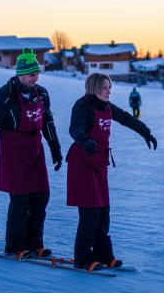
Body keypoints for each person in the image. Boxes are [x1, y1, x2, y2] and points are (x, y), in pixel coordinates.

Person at [0, 48, 63, 259]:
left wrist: (55, 148)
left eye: (37, 73)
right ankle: (15, 245)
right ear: (20, 74)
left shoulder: (42, 93)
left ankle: (35, 244)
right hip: (14, 152)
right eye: (31, 74)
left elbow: (47, 122)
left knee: (41, 198)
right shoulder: (5, 95)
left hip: (35, 150)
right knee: (20, 202)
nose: (35, 77)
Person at [67, 73, 157, 271]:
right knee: (90, 215)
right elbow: (74, 129)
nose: (109, 91)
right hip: (81, 165)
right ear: (95, 88)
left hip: (99, 166)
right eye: (105, 88)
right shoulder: (82, 106)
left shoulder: (107, 107)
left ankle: (104, 255)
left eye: (110, 88)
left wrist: (145, 132)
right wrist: (84, 141)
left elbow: (126, 118)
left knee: (103, 213)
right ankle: (83, 257)